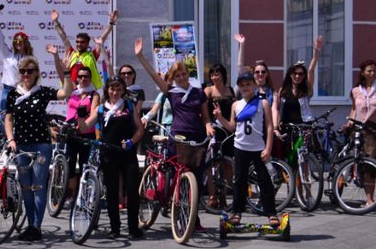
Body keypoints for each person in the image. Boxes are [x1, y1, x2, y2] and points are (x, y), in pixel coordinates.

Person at [135, 37, 214, 232]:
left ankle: (193, 220)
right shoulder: (171, 91)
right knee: (173, 174)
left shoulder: (199, 93)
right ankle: (170, 202)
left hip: (197, 138)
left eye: (184, 74)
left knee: (195, 180)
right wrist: (140, 56)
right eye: (177, 75)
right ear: (173, 77)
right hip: (177, 137)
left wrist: (208, 126)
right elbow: (153, 75)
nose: (182, 77)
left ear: (189, 74)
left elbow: (205, 116)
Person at [5, 48, 73, 241]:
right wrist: (11, 139)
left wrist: (66, 72)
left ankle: (36, 226)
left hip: (41, 145)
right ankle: (29, 225)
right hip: (21, 146)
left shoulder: (42, 92)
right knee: (26, 187)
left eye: (30, 71)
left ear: (36, 73)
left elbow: (65, 92)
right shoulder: (13, 94)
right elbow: (8, 119)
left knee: (38, 186)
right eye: (23, 71)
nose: (26, 75)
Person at [213, 71, 279, 227]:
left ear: (254, 85)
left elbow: (269, 127)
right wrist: (220, 117)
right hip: (240, 147)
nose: (245, 87)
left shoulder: (262, 103)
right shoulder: (236, 105)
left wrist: (268, 148)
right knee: (239, 181)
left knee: (264, 181)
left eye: (248, 84)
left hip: (259, 148)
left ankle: (271, 213)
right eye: (242, 85)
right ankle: (236, 212)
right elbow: (232, 127)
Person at [97, 78, 145, 239]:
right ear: (107, 90)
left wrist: (132, 141)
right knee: (112, 192)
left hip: (127, 154)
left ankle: (133, 228)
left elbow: (140, 129)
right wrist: (80, 118)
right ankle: (114, 229)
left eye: (118, 89)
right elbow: (88, 126)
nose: (115, 92)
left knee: (132, 191)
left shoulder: (129, 106)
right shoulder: (101, 108)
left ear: (123, 90)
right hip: (108, 154)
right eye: (112, 89)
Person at [273, 36, 324, 143]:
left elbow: (311, 71)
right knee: (289, 153)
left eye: (300, 74)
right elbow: (277, 109)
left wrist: (316, 52)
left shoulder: (306, 89)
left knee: (302, 152)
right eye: (295, 73)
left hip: (304, 128)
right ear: (290, 74)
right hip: (287, 128)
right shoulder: (283, 90)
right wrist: (276, 127)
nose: (297, 76)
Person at [50, 9, 117, 90]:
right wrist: (56, 22)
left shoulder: (92, 55)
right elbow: (64, 38)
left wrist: (111, 23)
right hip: (71, 89)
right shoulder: (72, 53)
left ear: (87, 44)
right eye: (77, 42)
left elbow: (102, 38)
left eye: (82, 42)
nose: (79, 44)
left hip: (88, 90)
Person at [64, 65, 100, 207]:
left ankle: (84, 195)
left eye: (86, 76)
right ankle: (72, 194)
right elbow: (63, 77)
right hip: (71, 133)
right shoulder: (72, 91)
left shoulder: (94, 94)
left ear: (90, 78)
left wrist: (84, 123)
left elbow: (93, 112)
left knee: (85, 165)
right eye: (80, 76)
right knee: (70, 165)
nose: (83, 79)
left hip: (86, 134)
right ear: (77, 78)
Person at [344, 59, 376, 206]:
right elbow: (354, 109)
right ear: (363, 73)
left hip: (372, 130)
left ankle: (370, 199)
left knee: (370, 164)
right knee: (359, 162)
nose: (372, 73)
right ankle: (367, 198)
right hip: (358, 129)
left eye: (374, 71)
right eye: (369, 71)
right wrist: (348, 123)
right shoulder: (356, 90)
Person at [0, 5, 33, 111]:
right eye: (16, 41)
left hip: (23, 91)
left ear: (25, 42)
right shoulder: (8, 54)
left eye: (20, 41)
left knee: (22, 118)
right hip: (7, 90)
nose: (18, 43)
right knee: (4, 117)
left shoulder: (30, 58)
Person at [235, 33, 276, 105]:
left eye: (263, 72)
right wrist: (242, 44)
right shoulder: (249, 87)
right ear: (253, 74)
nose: (260, 74)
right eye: (257, 72)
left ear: (267, 74)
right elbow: (240, 67)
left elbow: (274, 108)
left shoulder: (271, 91)